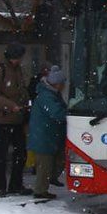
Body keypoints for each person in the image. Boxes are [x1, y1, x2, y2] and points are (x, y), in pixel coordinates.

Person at [0, 42, 31, 197]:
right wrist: (11, 105)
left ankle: (13, 185)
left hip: (15, 117)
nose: (18, 61)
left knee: (19, 154)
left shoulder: (13, 69)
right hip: (3, 119)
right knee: (2, 156)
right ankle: (1, 186)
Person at [27, 65, 68, 200]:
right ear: (57, 84)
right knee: (45, 165)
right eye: (62, 83)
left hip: (46, 135)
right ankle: (40, 190)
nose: (64, 86)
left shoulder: (49, 94)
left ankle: (44, 186)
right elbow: (57, 113)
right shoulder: (47, 96)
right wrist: (69, 115)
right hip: (44, 135)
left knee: (49, 163)